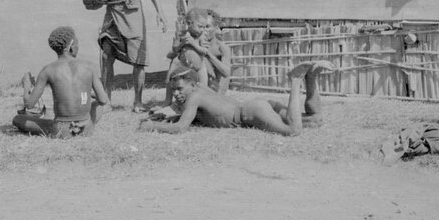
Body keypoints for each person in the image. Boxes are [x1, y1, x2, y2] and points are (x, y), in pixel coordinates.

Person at [140, 60, 334, 136]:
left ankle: (295, 81)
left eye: (179, 89)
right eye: (173, 90)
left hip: (251, 113)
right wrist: (167, 114)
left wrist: (152, 126)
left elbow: (181, 128)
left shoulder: (193, 97)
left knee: (293, 130)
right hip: (258, 106)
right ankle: (311, 78)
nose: (175, 94)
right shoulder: (200, 89)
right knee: (315, 120)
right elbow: (187, 113)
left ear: (192, 84)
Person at [12, 26, 110, 138]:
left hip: (61, 130)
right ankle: (85, 126)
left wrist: (26, 86)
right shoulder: (89, 67)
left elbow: (29, 104)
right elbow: (103, 100)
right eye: (77, 43)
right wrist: (88, 95)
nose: (78, 47)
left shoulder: (47, 70)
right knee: (97, 104)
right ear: (71, 46)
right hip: (86, 128)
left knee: (18, 119)